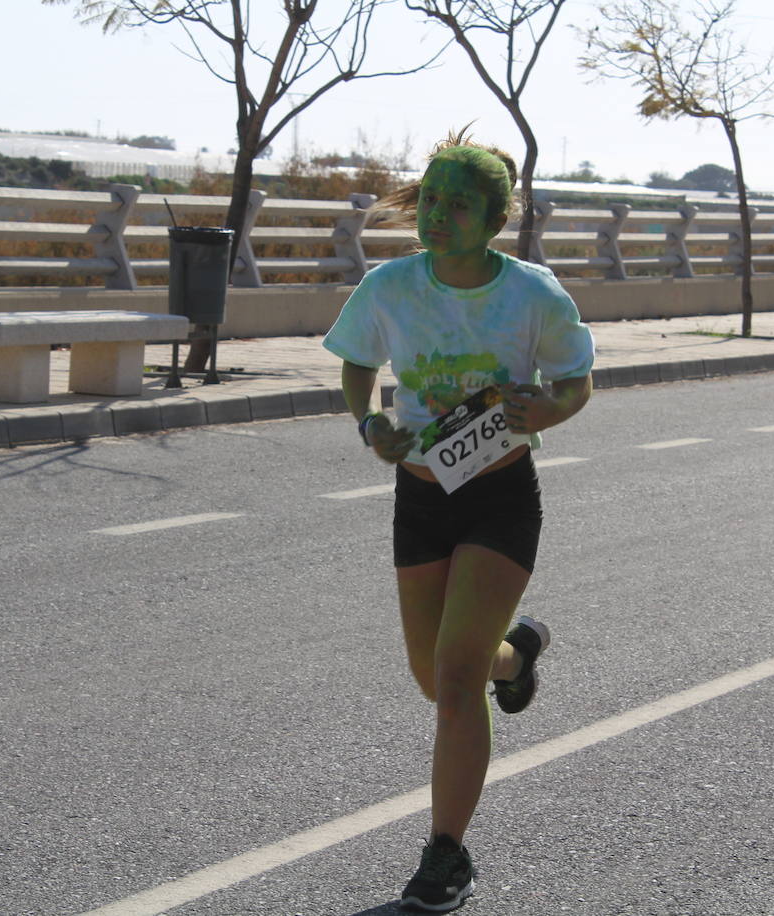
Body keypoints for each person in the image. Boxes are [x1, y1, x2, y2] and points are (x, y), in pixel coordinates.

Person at [322, 129, 595, 911]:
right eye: (430, 198)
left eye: (458, 204)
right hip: (420, 495)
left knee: (452, 678)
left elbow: (576, 380)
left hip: (501, 495)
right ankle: (519, 658)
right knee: (437, 676)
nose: (437, 214)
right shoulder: (391, 287)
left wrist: (550, 406)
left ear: (494, 219)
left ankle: (446, 856)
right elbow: (356, 364)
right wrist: (367, 423)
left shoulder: (533, 294)